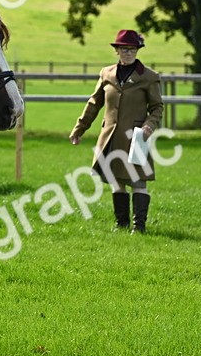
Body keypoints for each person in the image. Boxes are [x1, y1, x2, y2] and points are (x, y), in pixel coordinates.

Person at [68, 29, 164, 233]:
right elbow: (94, 103)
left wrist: (149, 125)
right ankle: (121, 225)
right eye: (124, 49)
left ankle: (139, 227)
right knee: (117, 181)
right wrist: (79, 128)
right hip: (110, 136)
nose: (128, 53)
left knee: (138, 182)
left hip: (137, 138)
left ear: (137, 51)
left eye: (132, 49)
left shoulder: (149, 77)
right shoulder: (106, 74)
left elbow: (157, 107)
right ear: (117, 51)